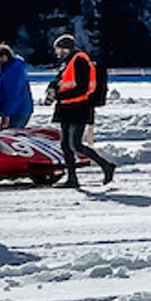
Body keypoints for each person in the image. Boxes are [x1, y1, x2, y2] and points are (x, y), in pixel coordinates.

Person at [47, 34, 117, 187]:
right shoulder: (68, 62)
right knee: (66, 145)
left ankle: (106, 165)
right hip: (67, 107)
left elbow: (82, 88)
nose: (56, 52)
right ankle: (72, 178)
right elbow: (62, 81)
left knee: (75, 144)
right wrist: (53, 89)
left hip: (79, 107)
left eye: (58, 49)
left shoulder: (79, 61)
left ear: (64, 49)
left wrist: (59, 95)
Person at [0, 44, 34, 130]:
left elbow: (12, 95)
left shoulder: (13, 72)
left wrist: (6, 115)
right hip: (13, 110)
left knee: (9, 136)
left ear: (4, 57)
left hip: (18, 111)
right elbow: (0, 91)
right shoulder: (6, 71)